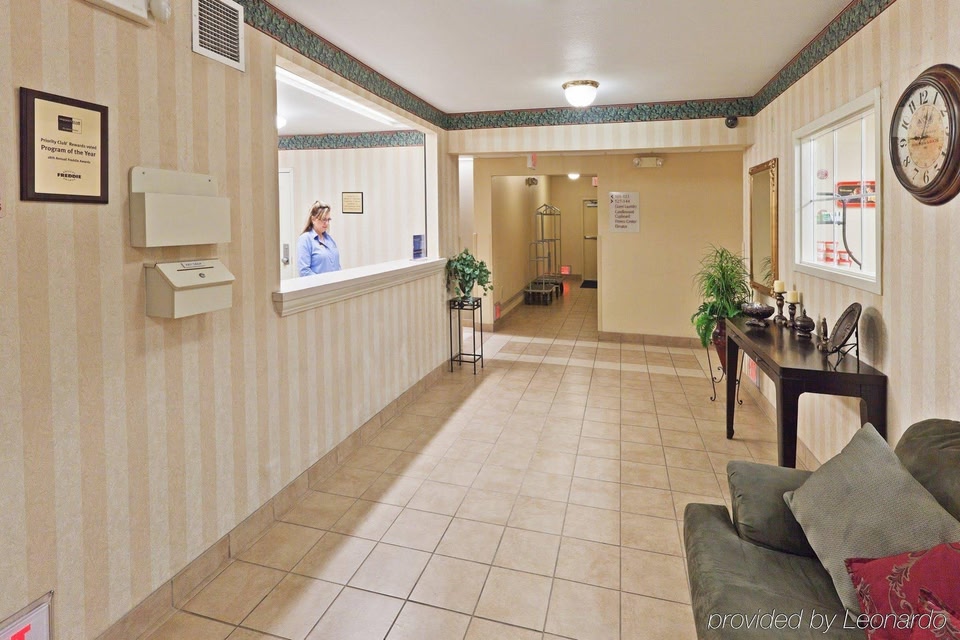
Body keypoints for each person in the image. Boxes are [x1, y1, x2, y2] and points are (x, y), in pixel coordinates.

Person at [297, 201, 341, 276]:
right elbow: (304, 271)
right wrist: (324, 281)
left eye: (328, 220)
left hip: (334, 282)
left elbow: (337, 266)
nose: (327, 223)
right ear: (313, 219)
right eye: (323, 219)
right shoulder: (305, 239)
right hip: (318, 283)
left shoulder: (329, 239)